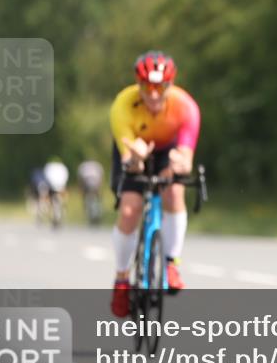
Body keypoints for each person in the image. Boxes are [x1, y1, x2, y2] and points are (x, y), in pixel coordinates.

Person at [108, 51, 201, 317]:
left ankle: (172, 263)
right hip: (134, 149)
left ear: (169, 86)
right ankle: (122, 278)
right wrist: (135, 159)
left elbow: (185, 158)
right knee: (129, 210)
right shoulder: (122, 106)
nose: (154, 94)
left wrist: (180, 164)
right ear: (138, 85)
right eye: (147, 86)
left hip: (167, 151)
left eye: (160, 87)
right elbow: (130, 161)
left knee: (173, 192)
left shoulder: (186, 108)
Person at [43, 157, 70, 225]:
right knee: (63, 197)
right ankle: (64, 208)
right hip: (61, 186)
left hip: (52, 186)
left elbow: (46, 177)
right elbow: (65, 176)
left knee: (48, 198)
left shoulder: (49, 167)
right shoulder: (62, 167)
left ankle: (49, 209)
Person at [77, 160, 104, 224]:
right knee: (98, 198)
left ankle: (87, 209)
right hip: (95, 184)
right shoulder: (97, 165)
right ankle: (99, 212)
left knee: (85, 197)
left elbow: (80, 180)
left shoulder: (83, 166)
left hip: (87, 184)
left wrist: (81, 188)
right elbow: (101, 178)